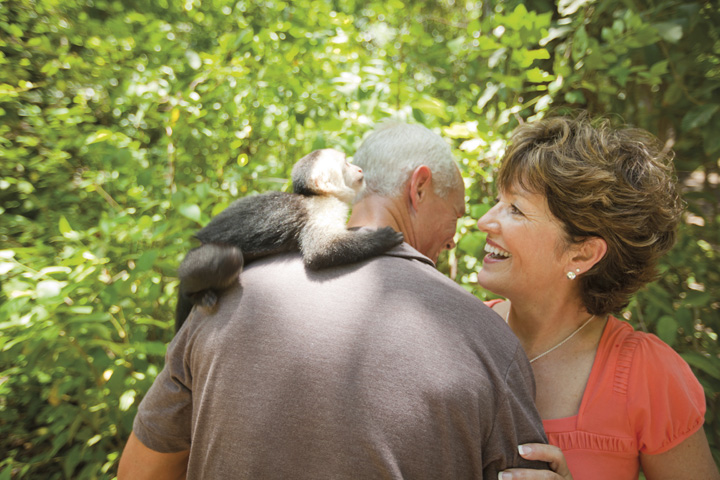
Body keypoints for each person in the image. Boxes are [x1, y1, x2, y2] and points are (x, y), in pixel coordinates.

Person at [118, 122, 548, 479]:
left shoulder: (223, 300)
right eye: (455, 215)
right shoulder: (488, 341)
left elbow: (141, 472)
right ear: (418, 187)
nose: (454, 240)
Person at [476, 115, 719, 480]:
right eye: (498, 200)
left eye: (516, 209)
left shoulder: (649, 375)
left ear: (582, 255)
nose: (485, 221)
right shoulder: (458, 336)